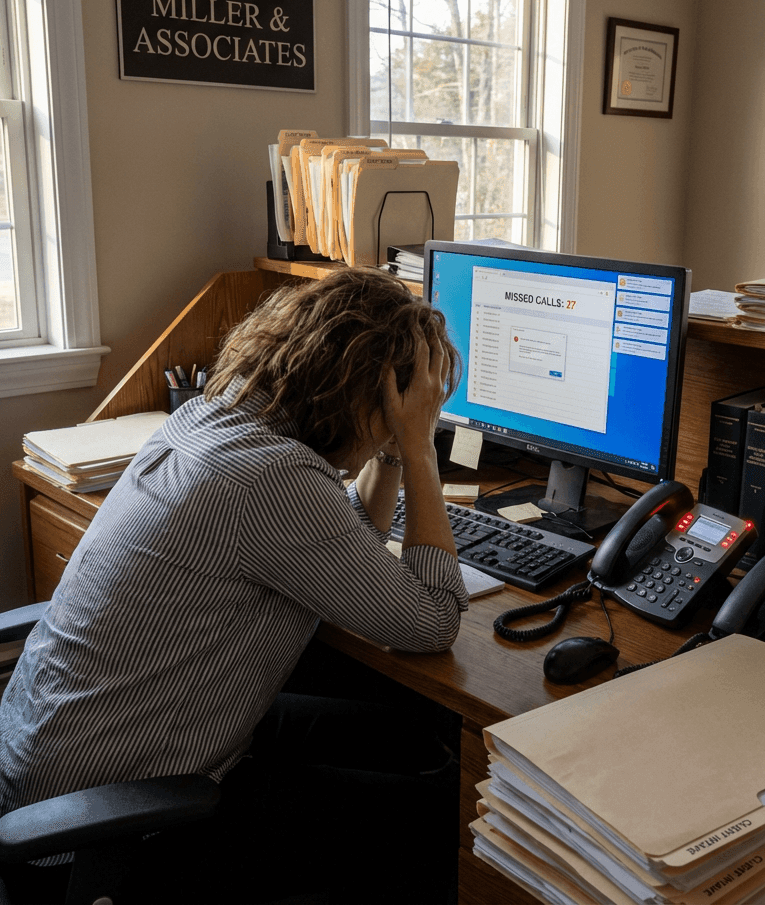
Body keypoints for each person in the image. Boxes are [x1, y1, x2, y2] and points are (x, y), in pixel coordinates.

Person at [0, 267, 468, 903]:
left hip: (69, 753)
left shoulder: (207, 419)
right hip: (105, 816)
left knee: (415, 738)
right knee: (443, 821)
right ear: (364, 394)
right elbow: (432, 620)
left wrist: (387, 450)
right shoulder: (274, 480)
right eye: (404, 404)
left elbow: (347, 539)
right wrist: (419, 452)